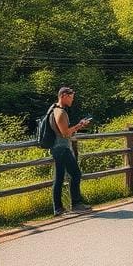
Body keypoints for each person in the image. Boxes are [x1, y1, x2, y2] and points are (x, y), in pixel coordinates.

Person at [50, 86, 92, 216]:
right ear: (63, 95)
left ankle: (58, 208)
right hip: (62, 148)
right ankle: (76, 204)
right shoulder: (60, 112)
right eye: (71, 97)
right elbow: (65, 133)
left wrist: (77, 126)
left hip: (58, 148)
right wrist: (79, 125)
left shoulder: (54, 110)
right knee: (75, 174)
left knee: (59, 178)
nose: (72, 100)